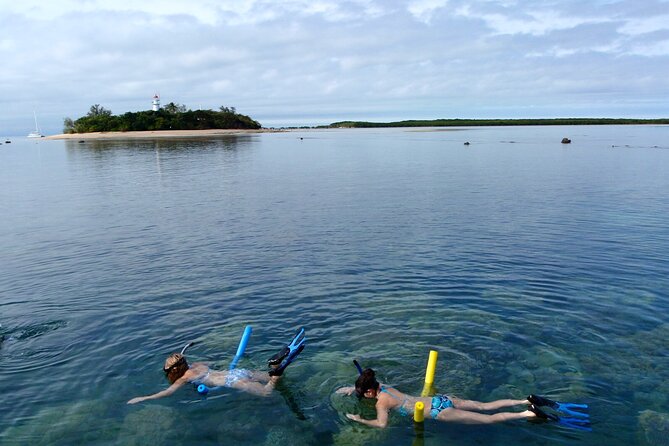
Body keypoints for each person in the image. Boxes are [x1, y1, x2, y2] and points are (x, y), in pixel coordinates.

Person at [127, 328, 305, 404]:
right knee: (270, 378)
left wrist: (143, 398)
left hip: (232, 381)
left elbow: (167, 392)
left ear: (173, 371)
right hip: (236, 371)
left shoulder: (185, 378)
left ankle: (277, 370)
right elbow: (212, 363)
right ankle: (276, 366)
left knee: (267, 391)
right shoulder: (197, 365)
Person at [337, 368, 550, 428]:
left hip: (439, 412)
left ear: (369, 393)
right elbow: (365, 384)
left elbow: (382, 424)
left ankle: (526, 413)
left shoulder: (381, 402)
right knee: (485, 406)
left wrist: (360, 419)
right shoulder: (383, 386)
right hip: (441, 400)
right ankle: (524, 400)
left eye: (361, 392)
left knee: (489, 420)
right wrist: (351, 388)